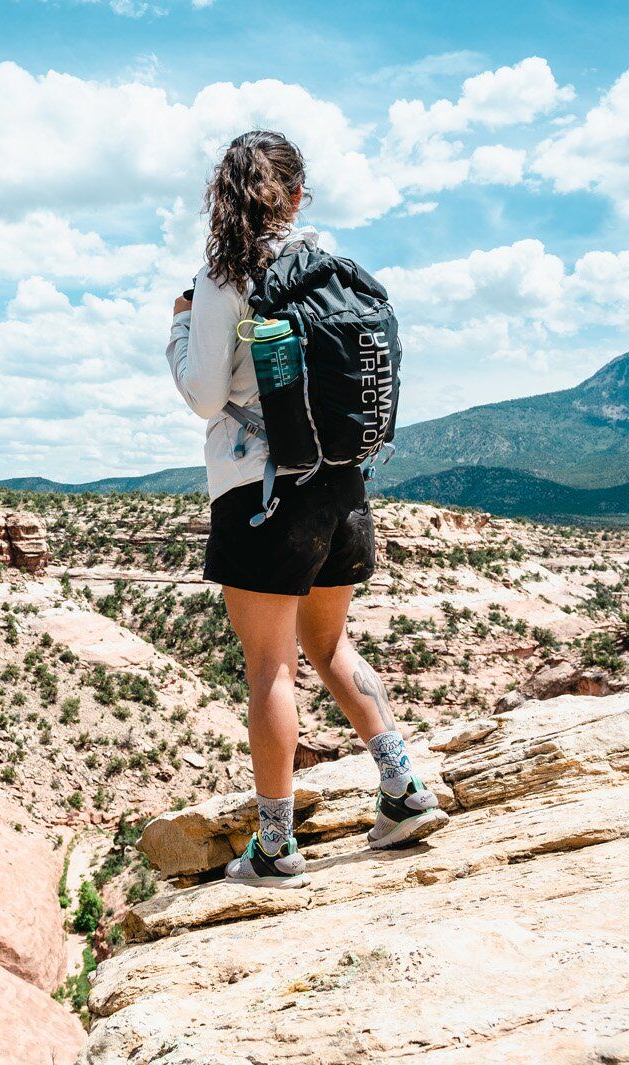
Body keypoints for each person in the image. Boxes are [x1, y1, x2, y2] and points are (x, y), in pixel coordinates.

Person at [165, 130, 447, 888]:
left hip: (264, 495)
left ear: (223, 197)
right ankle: (403, 788)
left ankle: (275, 845)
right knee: (329, 647)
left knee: (269, 670)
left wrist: (180, 326)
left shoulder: (225, 275)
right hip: (344, 490)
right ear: (296, 197)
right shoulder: (331, 265)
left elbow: (202, 396)